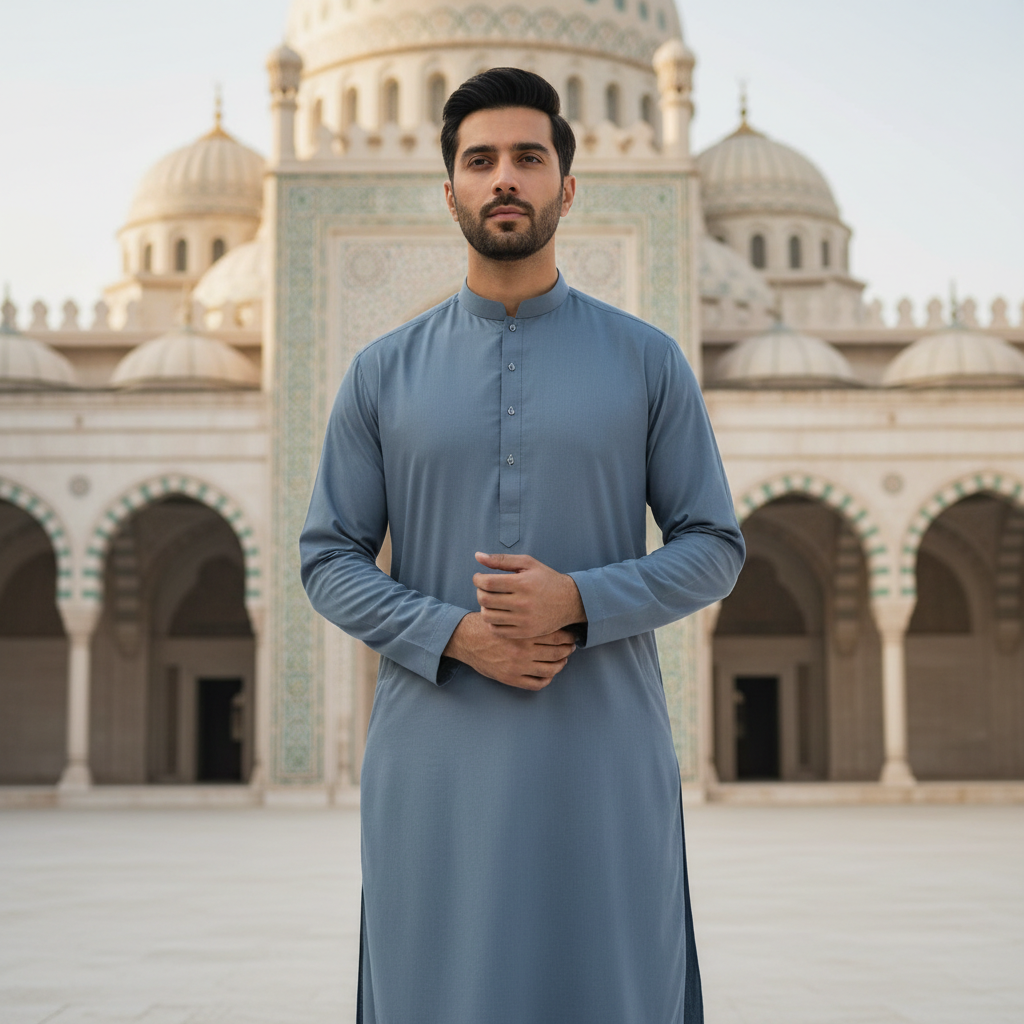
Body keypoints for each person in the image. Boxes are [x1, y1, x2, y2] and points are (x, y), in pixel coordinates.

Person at [300, 67, 745, 1024]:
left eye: (529, 158)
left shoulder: (647, 360)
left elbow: (714, 544)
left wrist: (580, 600)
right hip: (434, 762)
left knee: (614, 990)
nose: (506, 177)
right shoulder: (382, 373)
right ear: (450, 188)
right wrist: (454, 634)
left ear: (567, 187)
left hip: (604, 759)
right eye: (481, 159)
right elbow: (326, 556)